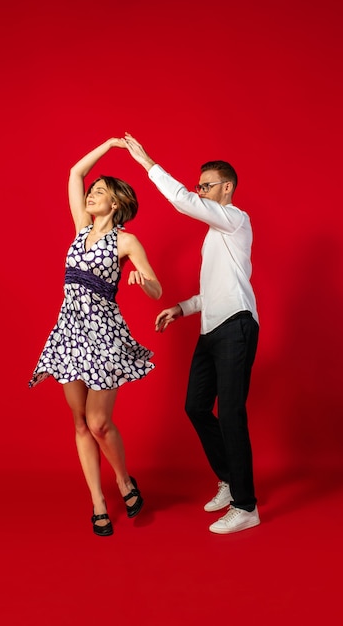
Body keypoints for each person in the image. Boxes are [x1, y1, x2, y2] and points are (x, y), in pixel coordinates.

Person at [123, 133, 260, 534]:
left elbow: (182, 200)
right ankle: (230, 481)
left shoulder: (236, 219)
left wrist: (148, 163)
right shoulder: (215, 236)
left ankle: (246, 506)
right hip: (211, 327)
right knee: (196, 407)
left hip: (236, 325)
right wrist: (181, 308)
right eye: (198, 185)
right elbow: (216, 288)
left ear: (227, 188)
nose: (199, 191)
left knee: (231, 414)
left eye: (206, 185)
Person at [29, 138, 162, 537]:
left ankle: (124, 481)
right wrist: (109, 144)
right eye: (91, 192)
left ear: (116, 204)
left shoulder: (126, 241)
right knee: (80, 424)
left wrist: (143, 282)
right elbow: (75, 173)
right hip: (68, 333)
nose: (90, 195)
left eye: (100, 192)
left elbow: (157, 288)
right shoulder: (80, 228)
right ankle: (98, 502)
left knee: (99, 422)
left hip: (103, 337)